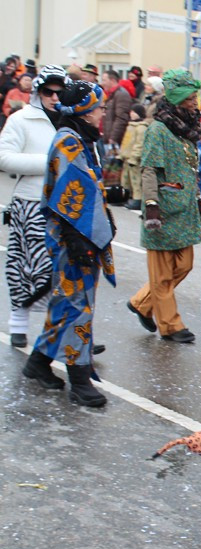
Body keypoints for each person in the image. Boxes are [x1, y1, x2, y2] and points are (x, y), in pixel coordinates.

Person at [20, 81, 115, 407]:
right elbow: (68, 200)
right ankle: (79, 378)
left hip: (80, 235)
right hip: (73, 239)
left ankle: (38, 362)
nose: (104, 111)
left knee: (66, 302)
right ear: (86, 111)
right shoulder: (70, 142)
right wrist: (79, 241)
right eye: (100, 106)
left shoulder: (82, 138)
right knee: (78, 307)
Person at [127, 68, 201, 344]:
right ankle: (170, 325)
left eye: (195, 97)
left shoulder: (187, 129)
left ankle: (142, 303)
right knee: (161, 275)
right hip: (162, 208)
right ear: (176, 99)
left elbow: (189, 169)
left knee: (184, 265)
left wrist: (196, 198)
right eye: (189, 98)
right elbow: (148, 170)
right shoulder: (158, 129)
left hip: (184, 210)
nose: (194, 103)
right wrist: (151, 207)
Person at [0, 65, 70, 348]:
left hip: (67, 206)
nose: (54, 97)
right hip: (31, 203)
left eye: (59, 92)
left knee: (63, 270)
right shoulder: (21, 119)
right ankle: (18, 323)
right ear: (38, 92)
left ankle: (62, 331)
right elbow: (4, 158)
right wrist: (48, 162)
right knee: (28, 266)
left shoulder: (70, 120)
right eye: (48, 92)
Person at [118, 103, 149, 210]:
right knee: (125, 180)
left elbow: (139, 144)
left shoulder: (141, 128)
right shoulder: (131, 126)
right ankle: (125, 196)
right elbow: (126, 143)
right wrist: (120, 155)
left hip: (134, 159)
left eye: (134, 112)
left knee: (136, 181)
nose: (131, 113)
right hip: (127, 157)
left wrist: (135, 157)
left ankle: (138, 198)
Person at [100, 70, 133, 153]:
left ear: (113, 80)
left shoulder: (121, 94)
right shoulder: (111, 94)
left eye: (104, 80)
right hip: (107, 137)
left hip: (114, 140)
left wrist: (113, 137)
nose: (102, 83)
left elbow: (121, 117)